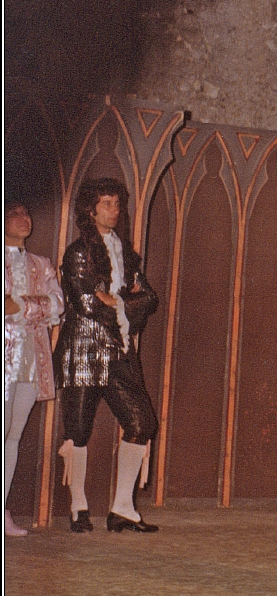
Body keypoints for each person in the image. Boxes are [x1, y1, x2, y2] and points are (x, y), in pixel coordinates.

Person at [53, 178, 160, 533]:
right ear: (91, 208)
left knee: (142, 421)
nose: (114, 210)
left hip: (120, 352)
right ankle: (78, 508)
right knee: (79, 429)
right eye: (106, 203)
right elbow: (84, 302)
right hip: (83, 350)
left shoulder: (127, 252)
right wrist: (126, 303)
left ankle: (123, 508)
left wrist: (116, 300)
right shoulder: (78, 252)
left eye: (117, 204)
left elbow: (150, 297)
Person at [4, 202, 64, 536]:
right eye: (15, 214)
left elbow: (57, 304)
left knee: (14, 434)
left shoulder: (41, 264)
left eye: (27, 214)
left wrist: (21, 305)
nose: (24, 219)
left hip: (30, 358)